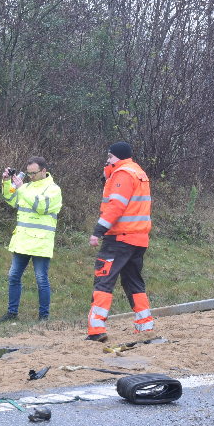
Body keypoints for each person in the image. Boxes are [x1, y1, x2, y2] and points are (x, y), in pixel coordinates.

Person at [86, 141, 153, 342]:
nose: (107, 160)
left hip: (119, 238)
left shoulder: (122, 174)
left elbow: (115, 207)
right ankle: (145, 326)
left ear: (118, 157)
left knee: (103, 280)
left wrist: (98, 231)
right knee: (133, 281)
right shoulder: (138, 172)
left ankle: (96, 330)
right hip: (138, 239)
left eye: (109, 157)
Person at [0, 156, 62, 322]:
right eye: (28, 173)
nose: (30, 176)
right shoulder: (25, 187)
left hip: (41, 242)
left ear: (44, 171)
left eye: (34, 173)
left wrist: (22, 188)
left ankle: (43, 317)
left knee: (41, 279)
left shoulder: (53, 189)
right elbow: (12, 200)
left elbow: (41, 207)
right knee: (13, 276)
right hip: (22, 241)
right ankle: (12, 313)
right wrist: (6, 182)